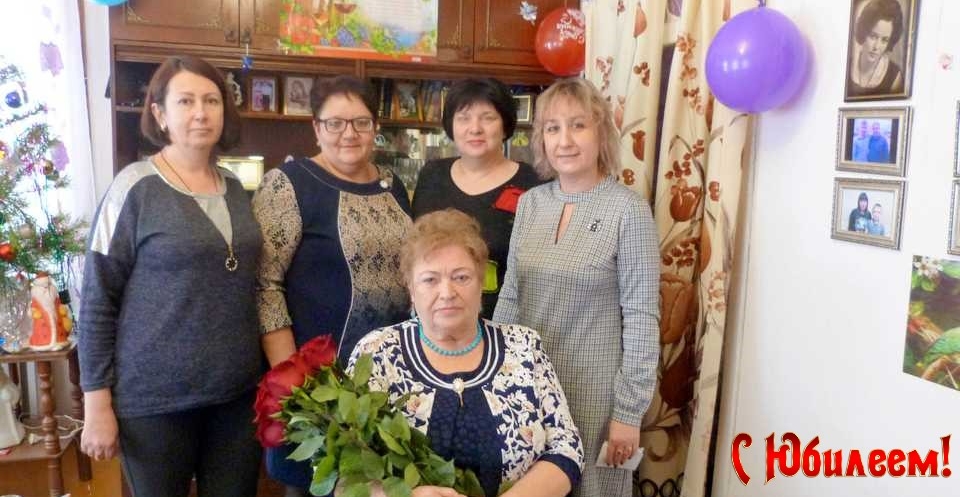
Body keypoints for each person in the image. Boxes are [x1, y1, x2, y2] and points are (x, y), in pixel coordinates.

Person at [78, 55, 263, 497]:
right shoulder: (133, 188)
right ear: (159, 114)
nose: (201, 112)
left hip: (236, 398)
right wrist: (96, 402)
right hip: (155, 403)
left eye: (211, 101)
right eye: (185, 101)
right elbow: (97, 300)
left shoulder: (235, 188)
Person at [493, 78, 660, 497]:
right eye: (553, 128)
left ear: (601, 133)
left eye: (578, 125)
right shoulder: (531, 203)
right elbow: (510, 295)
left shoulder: (629, 211)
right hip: (528, 387)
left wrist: (628, 413)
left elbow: (642, 317)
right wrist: (494, 376)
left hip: (595, 395)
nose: (564, 140)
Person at [348, 209, 584, 497]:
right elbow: (346, 474)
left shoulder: (524, 346)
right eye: (430, 280)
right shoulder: (376, 352)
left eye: (461, 277)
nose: (447, 292)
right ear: (410, 288)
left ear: (481, 283)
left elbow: (566, 448)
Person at [253, 74, 413, 496]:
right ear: (316, 127)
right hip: (317, 384)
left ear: (375, 127)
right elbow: (265, 286)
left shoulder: (393, 184)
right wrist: (295, 389)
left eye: (361, 122)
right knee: (317, 485)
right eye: (335, 123)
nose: (349, 134)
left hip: (387, 382)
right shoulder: (288, 183)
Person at [412, 78, 543, 319]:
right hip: (437, 321)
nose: (475, 128)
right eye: (464, 118)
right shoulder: (432, 175)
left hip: (508, 322)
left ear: (505, 124)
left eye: (487, 118)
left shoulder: (534, 184)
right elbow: (415, 252)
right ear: (451, 124)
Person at [847, 0, 905, 98]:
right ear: (864, 32)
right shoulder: (847, 65)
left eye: (884, 40)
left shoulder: (894, 76)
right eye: (873, 36)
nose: (876, 47)